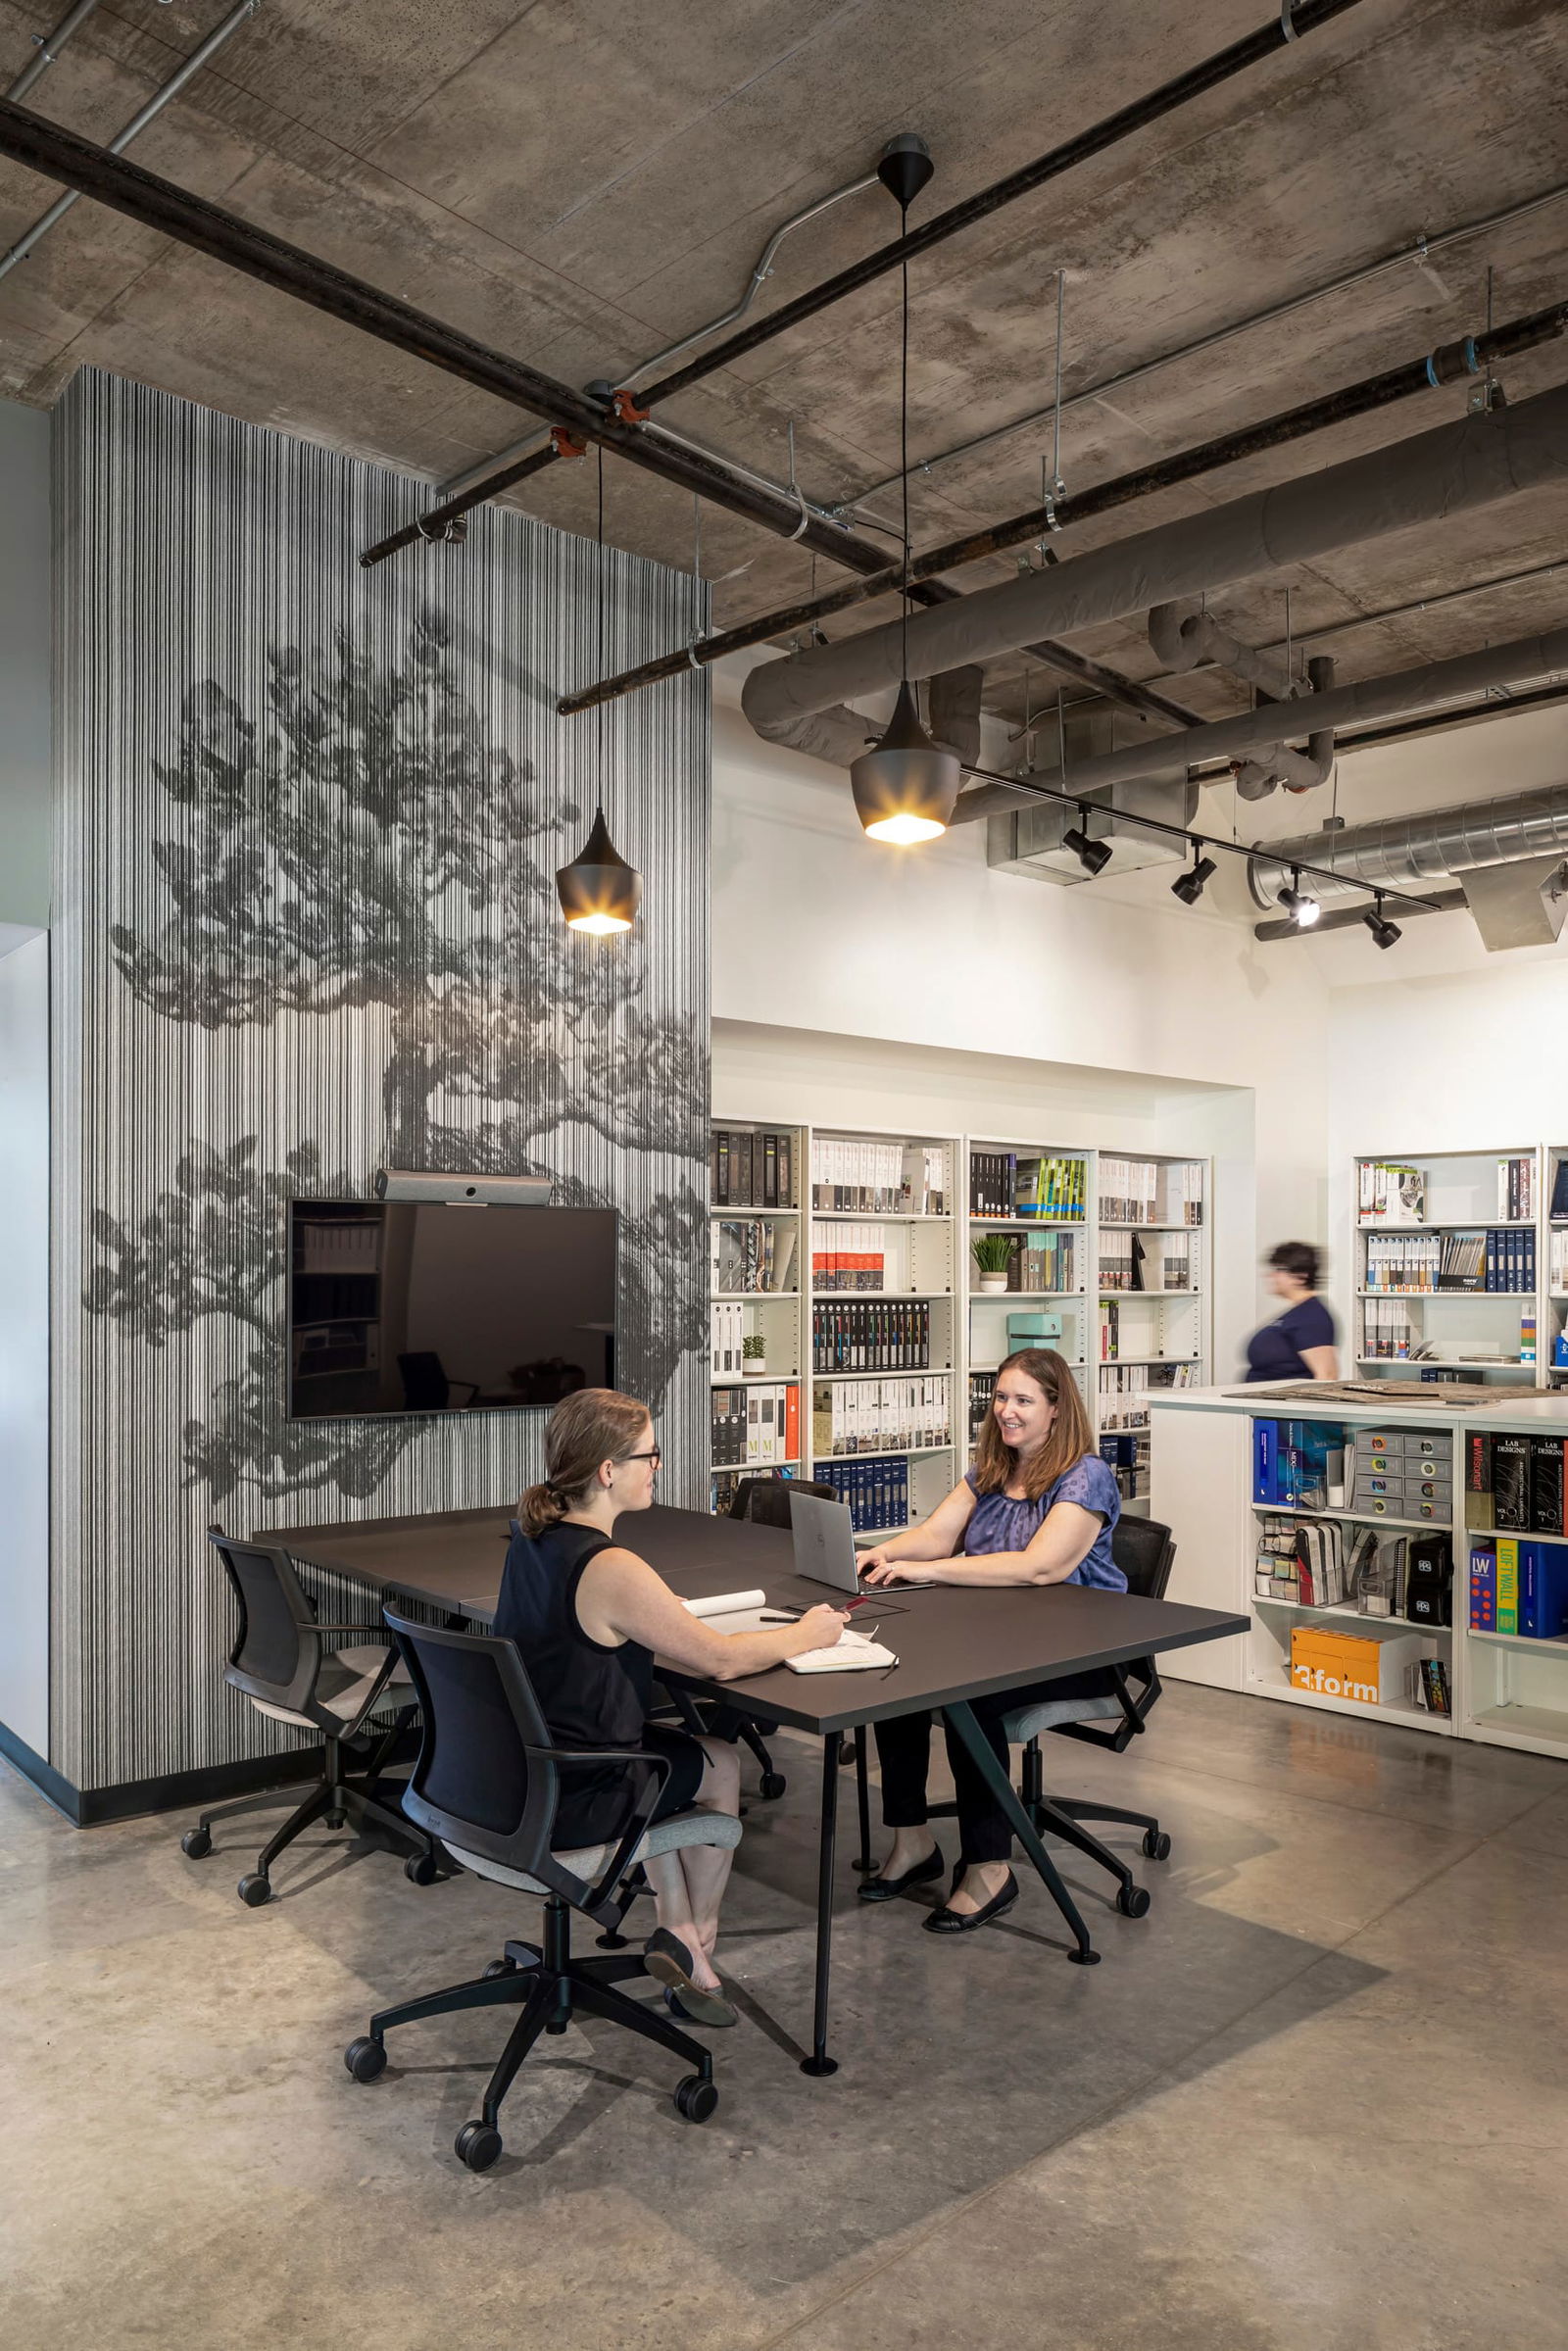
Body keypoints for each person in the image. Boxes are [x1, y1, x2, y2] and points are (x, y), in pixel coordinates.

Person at [497, 1388, 846, 2026]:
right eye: (649, 1454)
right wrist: (808, 1634)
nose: (657, 1464)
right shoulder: (610, 1565)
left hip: (517, 1771)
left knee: (676, 1749)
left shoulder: (532, 1535)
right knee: (717, 1765)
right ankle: (695, 1939)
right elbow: (720, 1661)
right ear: (609, 1470)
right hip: (581, 1791)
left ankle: (677, 1926)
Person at [857, 1347, 1125, 1933]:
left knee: (967, 1699)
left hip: (1083, 1649)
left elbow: (1039, 1568)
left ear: (1057, 1409)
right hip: (999, 1635)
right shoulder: (992, 1467)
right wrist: (886, 1552)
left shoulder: (1087, 1475)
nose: (1006, 1411)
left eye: (1023, 1400)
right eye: (1001, 1397)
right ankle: (912, 1843)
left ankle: (989, 1869)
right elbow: (935, 1535)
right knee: (894, 1669)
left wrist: (931, 1571)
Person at [1244, 1242, 1339, 1382]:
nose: (1271, 1276)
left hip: (1280, 1402)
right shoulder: (1297, 1313)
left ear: (1301, 1276)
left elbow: (1327, 1376)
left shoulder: (1312, 1317)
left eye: (1279, 1269)